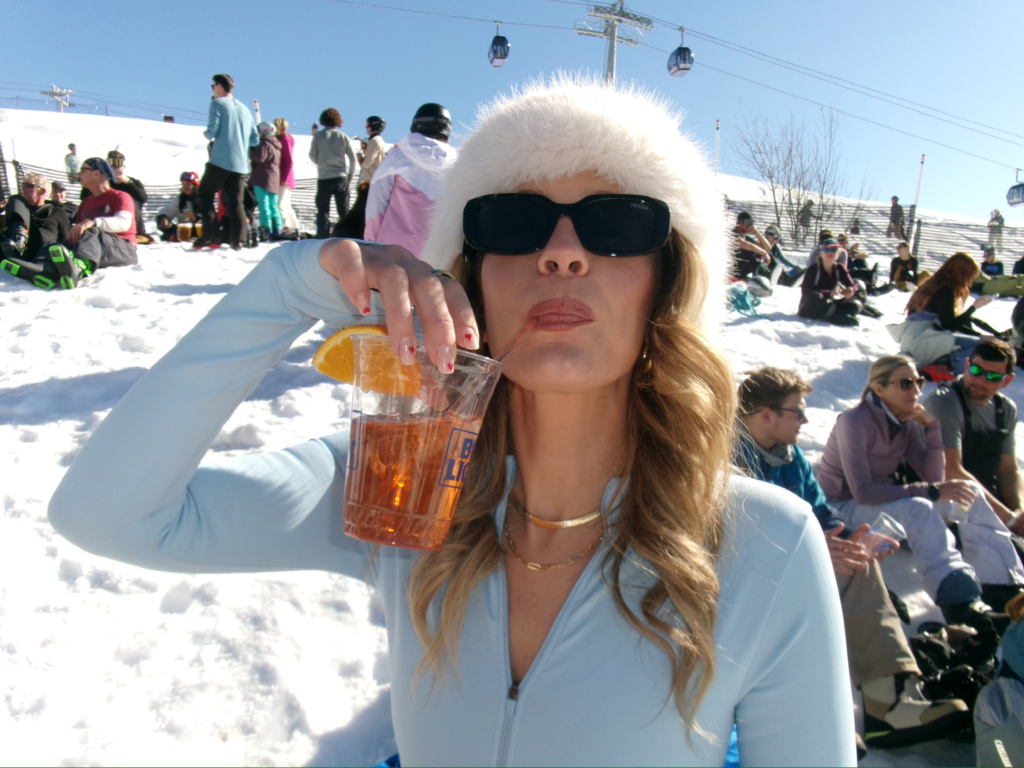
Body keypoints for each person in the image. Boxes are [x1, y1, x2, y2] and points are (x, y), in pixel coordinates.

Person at [47, 77, 854, 765]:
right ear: (467, 279)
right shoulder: (394, 494)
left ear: (666, 285)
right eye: (514, 221)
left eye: (616, 225)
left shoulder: (766, 547)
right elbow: (110, 517)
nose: (563, 253)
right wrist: (288, 285)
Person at [736, 368, 969, 750]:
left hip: (785, 562)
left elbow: (822, 513)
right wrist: (810, 547)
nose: (805, 420)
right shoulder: (723, 457)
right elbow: (727, 533)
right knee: (843, 576)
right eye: (797, 412)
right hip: (742, 576)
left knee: (857, 562)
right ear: (766, 415)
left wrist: (852, 537)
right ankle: (871, 711)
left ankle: (886, 702)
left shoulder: (788, 457)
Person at [818, 355, 1024, 632]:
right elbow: (863, 491)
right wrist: (933, 490)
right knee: (919, 507)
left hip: (884, 504)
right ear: (879, 389)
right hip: (843, 507)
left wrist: (931, 428)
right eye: (905, 384)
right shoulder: (854, 421)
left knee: (970, 492)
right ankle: (960, 603)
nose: (915, 391)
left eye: (918, 382)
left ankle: (1003, 588)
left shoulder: (908, 420)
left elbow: (932, 477)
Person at [925, 340, 1024, 607]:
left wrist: (1017, 510)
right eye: (977, 371)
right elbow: (952, 470)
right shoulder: (944, 402)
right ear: (967, 365)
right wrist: (1010, 520)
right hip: (951, 503)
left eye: (992, 376)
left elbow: (1008, 469)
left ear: (1007, 380)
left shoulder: (1006, 410)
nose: (981, 380)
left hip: (991, 503)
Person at [364, 103, 458, 260]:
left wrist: (370, 248)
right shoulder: (457, 166)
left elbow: (376, 206)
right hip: (437, 257)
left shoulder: (397, 157)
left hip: (392, 253)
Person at [901, 252, 1000, 372]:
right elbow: (949, 325)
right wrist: (973, 307)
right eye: (970, 277)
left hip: (913, 339)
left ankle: (944, 363)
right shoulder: (944, 292)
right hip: (923, 343)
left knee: (978, 342)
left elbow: (947, 320)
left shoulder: (932, 285)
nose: (970, 282)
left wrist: (980, 335)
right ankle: (947, 365)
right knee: (979, 347)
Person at [196, 74, 259, 251]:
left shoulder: (217, 104)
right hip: (241, 164)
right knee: (236, 202)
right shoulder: (245, 109)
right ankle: (238, 240)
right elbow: (254, 139)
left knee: (205, 193)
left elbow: (212, 131)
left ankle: (211, 234)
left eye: (212, 86)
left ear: (219, 86)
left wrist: (206, 134)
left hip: (221, 160)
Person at [0, 173, 72, 286]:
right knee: (15, 200)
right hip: (13, 245)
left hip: (40, 246)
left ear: (42, 191)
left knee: (15, 198)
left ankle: (20, 246)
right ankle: (17, 243)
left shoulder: (57, 211)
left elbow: (64, 238)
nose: (23, 188)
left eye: (28, 185)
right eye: (23, 184)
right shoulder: (18, 209)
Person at [310, 107, 357, 239]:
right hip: (341, 177)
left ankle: (322, 236)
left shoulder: (318, 136)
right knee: (344, 210)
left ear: (323, 120)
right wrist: (349, 177)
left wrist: (322, 162)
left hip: (324, 177)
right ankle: (349, 236)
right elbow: (353, 159)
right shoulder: (343, 136)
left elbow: (312, 155)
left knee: (323, 210)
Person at [798, 237, 861, 326]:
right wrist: (829, 293)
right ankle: (839, 314)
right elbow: (806, 293)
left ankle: (842, 314)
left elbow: (853, 284)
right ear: (821, 253)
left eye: (834, 249)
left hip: (830, 303)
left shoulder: (839, 268)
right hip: (811, 306)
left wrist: (851, 289)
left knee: (859, 292)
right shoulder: (813, 269)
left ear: (838, 254)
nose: (830, 252)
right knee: (816, 297)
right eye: (827, 250)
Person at [103, 151, 150, 243]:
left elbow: (143, 198)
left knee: (130, 199)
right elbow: (86, 197)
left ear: (123, 166)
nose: (113, 168)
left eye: (117, 164)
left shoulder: (132, 182)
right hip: (109, 225)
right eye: (110, 164)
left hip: (131, 226)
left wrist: (126, 181)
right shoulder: (102, 182)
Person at [249, 122, 282, 240]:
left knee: (264, 205)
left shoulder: (264, 144)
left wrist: (250, 151)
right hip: (274, 178)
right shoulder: (276, 145)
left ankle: (266, 229)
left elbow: (260, 158)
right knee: (274, 206)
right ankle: (277, 228)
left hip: (262, 178)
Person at [157, 172, 201, 241]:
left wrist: (196, 218)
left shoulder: (204, 199)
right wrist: (163, 217)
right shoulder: (180, 199)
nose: (185, 187)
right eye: (183, 184)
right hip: (184, 231)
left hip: (200, 232)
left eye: (188, 184)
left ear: (195, 185)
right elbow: (169, 209)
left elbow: (210, 218)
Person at [273, 118, 299, 233]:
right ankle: (294, 226)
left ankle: (285, 226)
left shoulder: (285, 140)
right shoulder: (281, 139)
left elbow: (289, 160)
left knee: (280, 203)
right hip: (283, 177)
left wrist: (284, 177)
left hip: (284, 177)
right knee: (286, 204)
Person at [730, 211, 771, 279]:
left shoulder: (746, 238)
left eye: (751, 223)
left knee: (756, 251)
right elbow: (744, 244)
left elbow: (767, 248)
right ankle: (762, 274)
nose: (750, 226)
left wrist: (756, 232)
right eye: (747, 223)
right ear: (740, 223)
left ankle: (766, 274)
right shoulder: (732, 234)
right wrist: (763, 253)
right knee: (751, 251)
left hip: (740, 270)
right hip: (731, 270)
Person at [360, 115, 387, 183]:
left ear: (374, 126)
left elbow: (368, 162)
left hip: (371, 180)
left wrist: (361, 160)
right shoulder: (378, 140)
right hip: (376, 179)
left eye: (368, 124)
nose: (366, 127)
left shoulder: (374, 141)